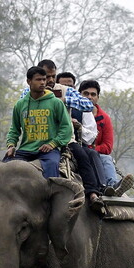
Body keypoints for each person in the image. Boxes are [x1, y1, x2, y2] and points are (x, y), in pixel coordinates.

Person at [21, 60, 105, 209]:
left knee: (83, 156)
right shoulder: (28, 93)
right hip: (35, 139)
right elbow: (20, 109)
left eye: (53, 76)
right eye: (46, 77)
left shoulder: (66, 90)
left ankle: (93, 193)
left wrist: (63, 100)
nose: (51, 80)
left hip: (65, 140)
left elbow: (88, 105)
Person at [4, 66, 71, 179]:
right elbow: (14, 129)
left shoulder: (56, 103)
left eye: (44, 79)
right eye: (38, 79)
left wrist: (52, 144)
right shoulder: (20, 105)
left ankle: (51, 195)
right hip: (25, 150)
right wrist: (11, 145)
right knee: (4, 168)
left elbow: (66, 128)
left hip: (48, 151)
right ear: (29, 81)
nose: (43, 82)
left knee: (52, 167)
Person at [78, 79, 134, 196]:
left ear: (98, 97)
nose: (89, 97)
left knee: (106, 158)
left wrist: (93, 149)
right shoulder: (74, 112)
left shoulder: (104, 118)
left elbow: (107, 147)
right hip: (78, 152)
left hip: (96, 154)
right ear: (79, 95)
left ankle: (112, 187)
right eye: (86, 94)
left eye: (93, 94)